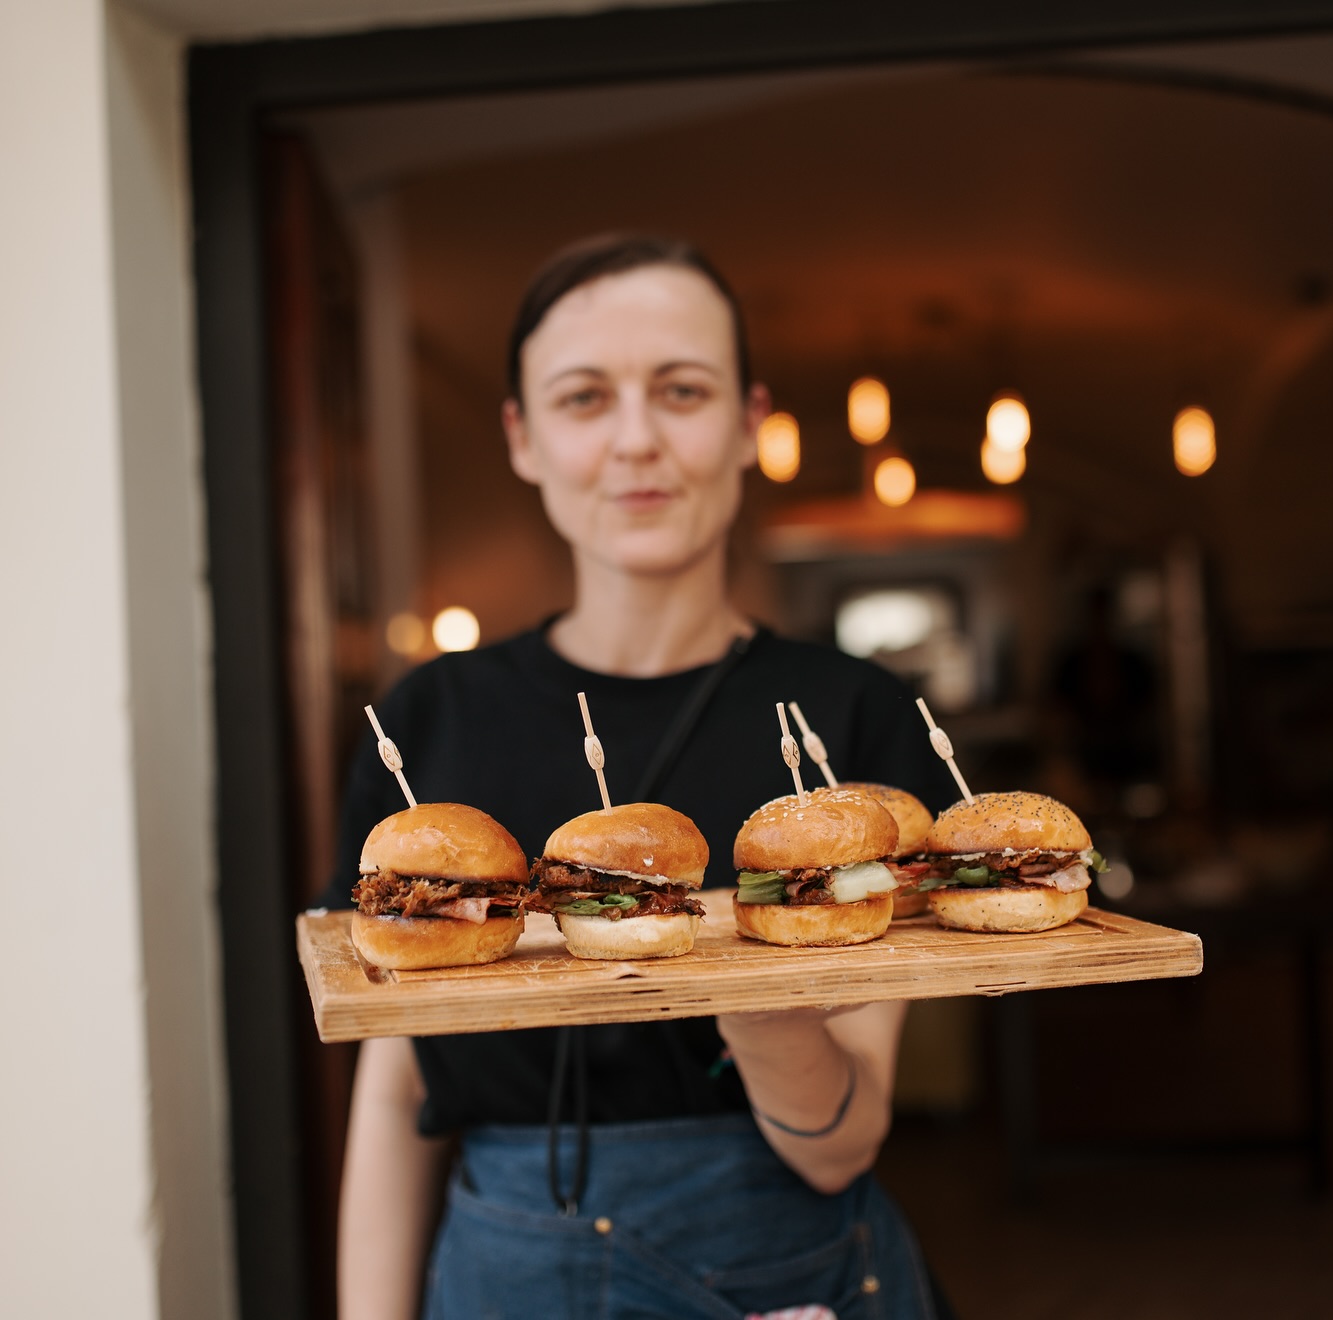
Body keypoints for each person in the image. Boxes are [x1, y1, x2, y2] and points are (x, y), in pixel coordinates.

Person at [320, 235, 957, 1320]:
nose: (636, 441)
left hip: (787, 1263)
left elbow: (840, 1147)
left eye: (682, 390)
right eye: (583, 398)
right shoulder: (428, 720)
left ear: (751, 423)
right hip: (499, 1258)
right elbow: (392, 1093)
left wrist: (756, 989)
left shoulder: (857, 727)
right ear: (522, 438)